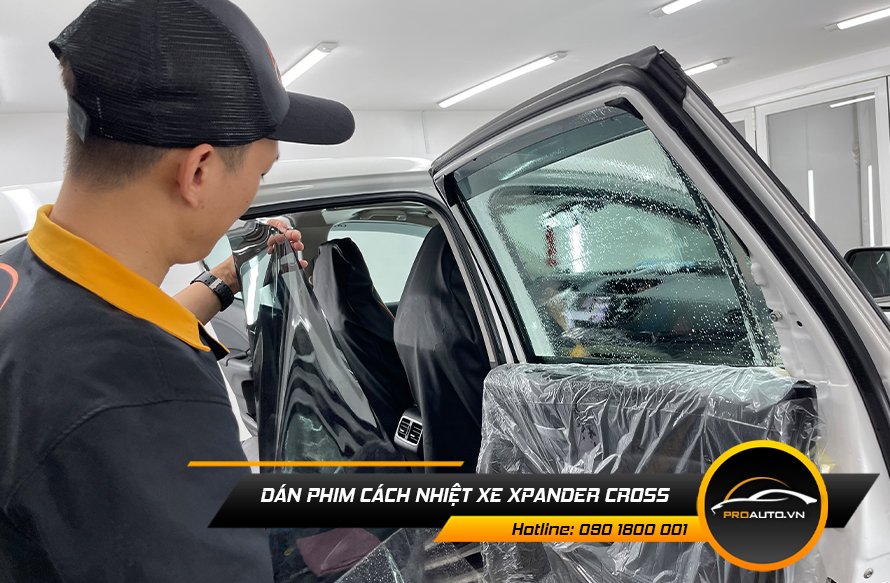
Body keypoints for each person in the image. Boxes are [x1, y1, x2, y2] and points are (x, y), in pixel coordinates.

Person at [0, 0, 354, 580]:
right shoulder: (145, 398)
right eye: (261, 172)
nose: (255, 190)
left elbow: (100, 329)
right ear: (199, 171)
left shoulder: (24, 276)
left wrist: (225, 280)